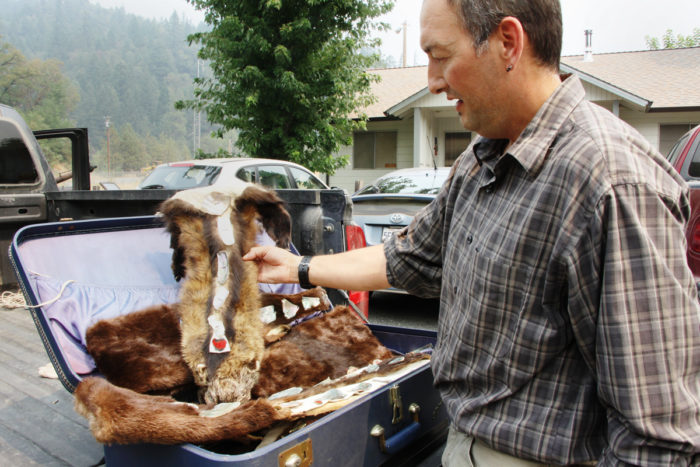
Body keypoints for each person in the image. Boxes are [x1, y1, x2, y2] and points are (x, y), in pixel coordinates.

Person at [243, 0, 700, 464]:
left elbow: (658, 438)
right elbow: (411, 258)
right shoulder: (482, 160)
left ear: (507, 42)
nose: (432, 80)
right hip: (461, 439)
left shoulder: (612, 183)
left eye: (440, 55)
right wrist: (299, 268)